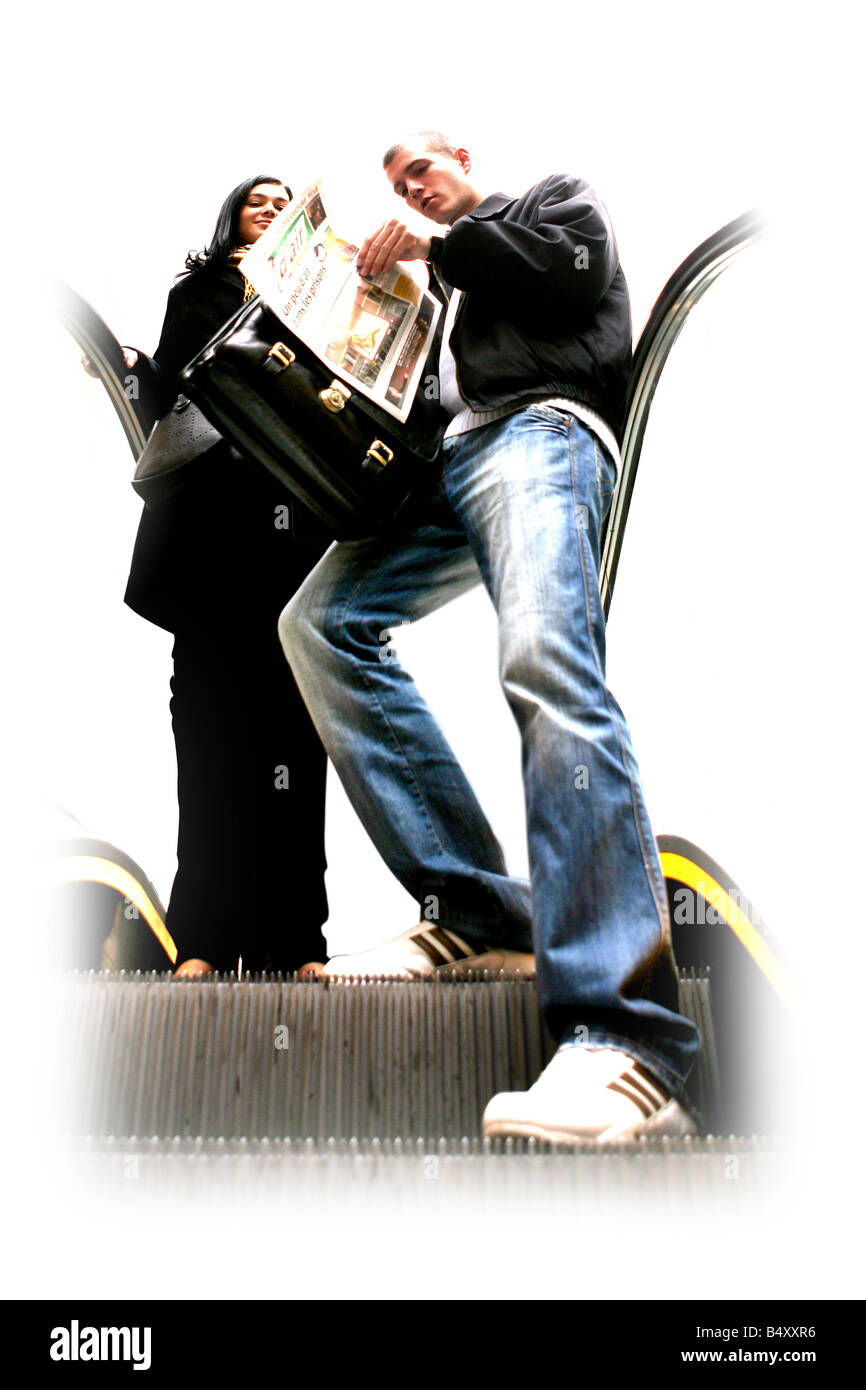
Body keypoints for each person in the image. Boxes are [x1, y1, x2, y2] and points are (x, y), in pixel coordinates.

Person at [278, 132, 701, 1142]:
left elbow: (566, 272)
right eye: (394, 185)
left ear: (460, 156)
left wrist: (436, 240)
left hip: (541, 431)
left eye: (419, 170)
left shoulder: (549, 201)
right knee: (318, 622)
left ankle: (624, 1038)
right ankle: (473, 908)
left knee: (542, 662)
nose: (410, 189)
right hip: (446, 466)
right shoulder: (447, 292)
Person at [124, 176, 332, 978]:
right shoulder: (204, 289)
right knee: (210, 737)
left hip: (295, 535)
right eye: (258, 201)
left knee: (295, 740)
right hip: (214, 538)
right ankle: (204, 939)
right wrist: (133, 367)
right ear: (233, 221)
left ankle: (295, 941)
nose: (273, 208)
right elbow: (172, 389)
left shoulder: (329, 297)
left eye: (286, 203)